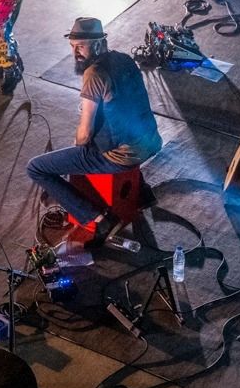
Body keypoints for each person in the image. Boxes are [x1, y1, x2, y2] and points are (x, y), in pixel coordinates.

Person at [25, 17, 162, 241]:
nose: (75, 53)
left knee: (36, 168)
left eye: (81, 46)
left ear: (99, 44)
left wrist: (78, 149)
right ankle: (142, 192)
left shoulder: (94, 74)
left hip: (121, 156)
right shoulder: (125, 60)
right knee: (123, 134)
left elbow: (85, 133)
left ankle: (96, 219)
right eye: (72, 47)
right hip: (152, 141)